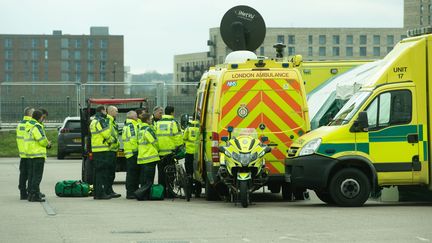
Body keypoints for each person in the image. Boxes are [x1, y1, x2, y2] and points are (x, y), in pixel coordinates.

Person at [155, 105, 183, 198]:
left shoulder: (158, 123)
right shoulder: (173, 122)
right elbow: (178, 136)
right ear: (172, 112)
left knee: (161, 173)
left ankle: (161, 191)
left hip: (160, 153)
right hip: (170, 152)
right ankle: (169, 192)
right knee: (171, 173)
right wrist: (179, 147)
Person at [25, 109, 51, 202]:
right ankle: (35, 195)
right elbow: (42, 140)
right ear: (40, 117)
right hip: (38, 155)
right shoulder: (37, 126)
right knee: (37, 176)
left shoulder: (28, 126)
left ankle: (31, 194)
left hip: (31, 154)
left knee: (32, 176)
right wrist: (48, 144)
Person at [89, 105, 115, 200]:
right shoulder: (101, 121)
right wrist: (112, 140)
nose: (106, 113)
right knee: (101, 173)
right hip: (102, 150)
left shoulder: (93, 121)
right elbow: (106, 134)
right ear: (102, 111)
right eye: (105, 111)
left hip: (96, 149)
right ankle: (100, 194)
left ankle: (97, 193)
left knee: (97, 173)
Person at [136, 113, 160, 199]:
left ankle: (144, 196)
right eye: (151, 119)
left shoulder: (140, 130)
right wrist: (158, 150)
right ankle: (139, 194)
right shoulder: (148, 130)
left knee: (144, 179)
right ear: (147, 120)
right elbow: (155, 142)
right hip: (150, 157)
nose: (152, 120)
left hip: (142, 157)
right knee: (149, 180)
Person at [16, 107, 34, 200]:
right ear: (30, 114)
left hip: (23, 154)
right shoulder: (30, 124)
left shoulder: (20, 125)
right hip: (30, 153)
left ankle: (23, 193)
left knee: (23, 174)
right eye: (33, 113)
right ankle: (31, 192)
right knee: (30, 174)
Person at [123, 110, 140, 199]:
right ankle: (131, 192)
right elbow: (133, 139)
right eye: (136, 115)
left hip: (129, 153)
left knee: (131, 173)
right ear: (132, 117)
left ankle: (132, 191)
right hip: (133, 153)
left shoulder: (128, 125)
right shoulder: (131, 126)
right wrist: (136, 151)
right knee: (132, 174)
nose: (137, 117)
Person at [106, 105, 121, 198]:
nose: (117, 113)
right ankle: (108, 190)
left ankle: (109, 190)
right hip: (109, 150)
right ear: (110, 111)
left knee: (111, 173)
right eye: (116, 111)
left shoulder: (112, 121)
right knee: (109, 173)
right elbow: (107, 135)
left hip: (113, 150)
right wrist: (113, 141)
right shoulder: (108, 121)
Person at [182, 118, 200, 197]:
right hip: (197, 154)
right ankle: (197, 192)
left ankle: (189, 190)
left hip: (189, 153)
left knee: (189, 173)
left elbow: (184, 139)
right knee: (197, 173)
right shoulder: (199, 129)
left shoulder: (188, 129)